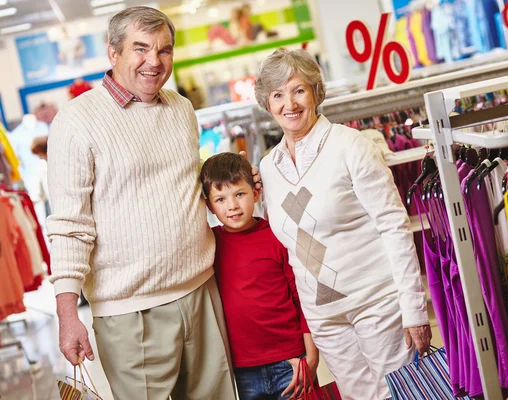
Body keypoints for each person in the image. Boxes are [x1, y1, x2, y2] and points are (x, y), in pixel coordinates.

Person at [46, 7, 259, 399]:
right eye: (140, 49)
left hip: (202, 292)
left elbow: (181, 181)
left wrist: (234, 181)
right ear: (113, 53)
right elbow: (70, 224)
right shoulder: (76, 122)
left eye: (164, 50)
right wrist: (66, 314)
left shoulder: (180, 109)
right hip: (130, 311)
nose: (154, 62)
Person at [255, 48, 432, 400]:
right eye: (277, 95)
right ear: (267, 103)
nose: (289, 103)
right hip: (324, 317)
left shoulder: (350, 145)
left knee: (402, 395)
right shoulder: (268, 168)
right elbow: (286, 246)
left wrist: (414, 308)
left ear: (316, 93)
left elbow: (393, 225)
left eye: (298, 90)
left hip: (376, 302)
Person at [201, 152, 319, 400]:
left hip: (291, 361)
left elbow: (302, 297)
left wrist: (310, 356)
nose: (232, 205)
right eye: (220, 199)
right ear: (209, 205)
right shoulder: (209, 244)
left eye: (240, 194)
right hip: (243, 370)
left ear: (255, 193)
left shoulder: (276, 235)